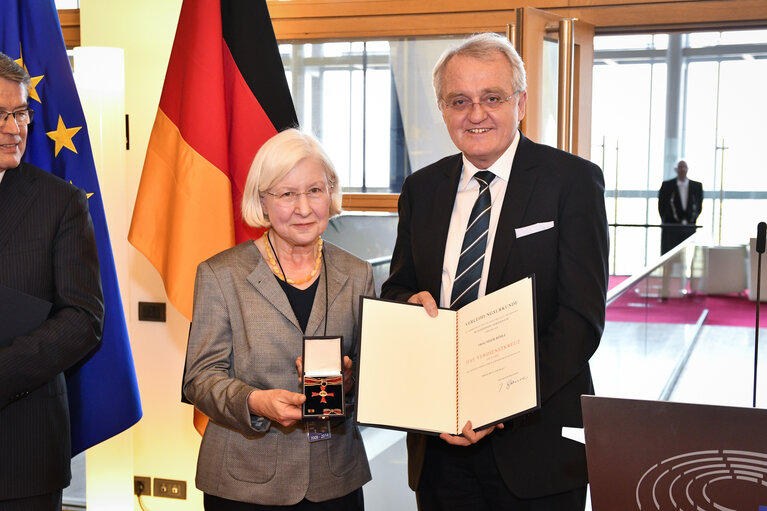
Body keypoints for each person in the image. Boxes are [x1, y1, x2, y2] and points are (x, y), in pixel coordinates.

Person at [381, 33, 609, 510]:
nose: (476, 114)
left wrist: (497, 402)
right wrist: (406, 304)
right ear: (442, 109)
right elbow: (400, 286)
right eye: (459, 100)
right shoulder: (420, 190)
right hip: (438, 441)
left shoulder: (571, 181)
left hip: (536, 443)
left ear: (521, 102)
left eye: (492, 98)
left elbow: (579, 320)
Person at [183, 128, 372, 510]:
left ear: (331, 193)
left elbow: (376, 375)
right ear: (263, 202)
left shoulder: (359, 273)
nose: (304, 208)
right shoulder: (221, 275)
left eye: (315, 190)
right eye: (287, 194)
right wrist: (255, 402)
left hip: (335, 479)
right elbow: (199, 379)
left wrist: (351, 380)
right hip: (245, 483)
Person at [0, 52, 104, 509]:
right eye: (0, 115)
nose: (15, 128)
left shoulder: (59, 202)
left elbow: (83, 318)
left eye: (21, 112)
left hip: (22, 449)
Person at [658, 159, 703, 254]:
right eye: (680, 167)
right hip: (671, 229)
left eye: (684, 167)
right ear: (676, 169)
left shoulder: (697, 186)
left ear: (687, 169)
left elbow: (699, 206)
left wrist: (690, 220)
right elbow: (662, 207)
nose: (682, 169)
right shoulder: (667, 186)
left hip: (689, 227)